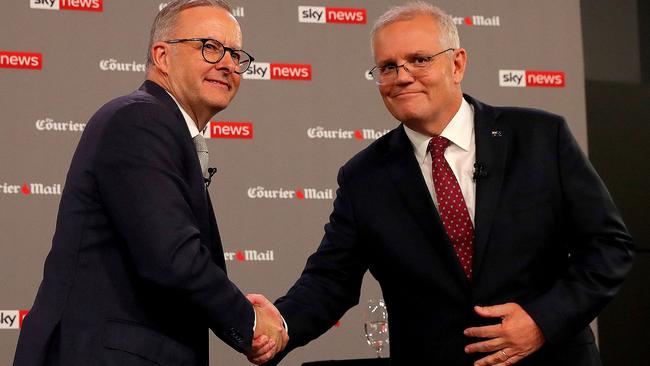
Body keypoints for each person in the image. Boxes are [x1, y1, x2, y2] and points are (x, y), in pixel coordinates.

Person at [249, 2, 634, 365]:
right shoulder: (363, 177)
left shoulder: (539, 137)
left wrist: (541, 321)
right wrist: (281, 326)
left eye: (418, 60)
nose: (402, 76)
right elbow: (331, 279)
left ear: (457, 63)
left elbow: (608, 248)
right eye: (387, 66)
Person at [13, 1, 286, 365]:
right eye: (209, 47)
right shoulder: (140, 119)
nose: (228, 64)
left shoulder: (160, 125)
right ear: (162, 55)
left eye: (236, 55)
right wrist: (249, 321)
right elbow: (173, 257)